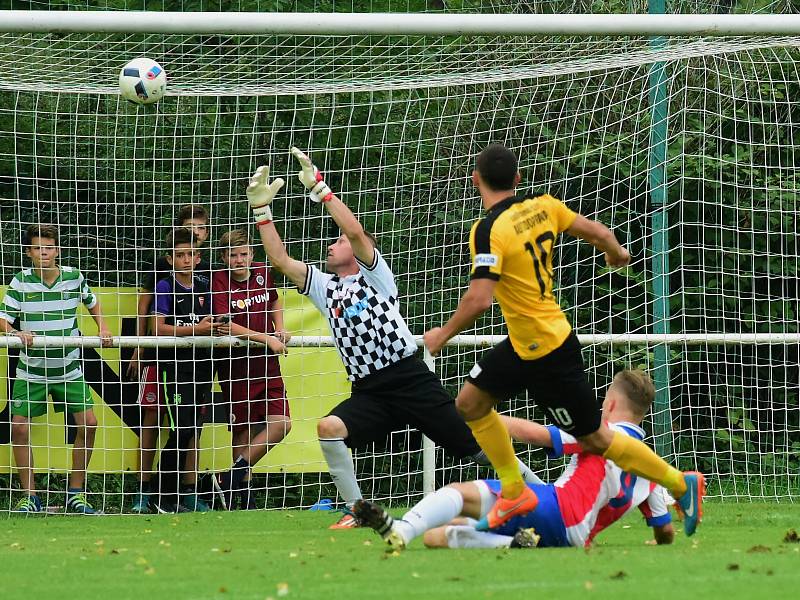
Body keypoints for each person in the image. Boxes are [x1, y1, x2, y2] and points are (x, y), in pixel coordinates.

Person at [245, 147, 539, 528]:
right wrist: (262, 212)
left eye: (339, 241)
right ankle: (358, 511)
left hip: (409, 378)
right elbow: (282, 261)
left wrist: (322, 190)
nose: (333, 244)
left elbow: (352, 229)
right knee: (328, 429)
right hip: (369, 391)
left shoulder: (375, 275)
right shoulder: (325, 286)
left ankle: (544, 495)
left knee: (476, 448)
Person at [422, 144, 704, 535]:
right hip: (524, 344)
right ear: (518, 179)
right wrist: (616, 252)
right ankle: (515, 489)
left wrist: (442, 333)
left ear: (475, 180)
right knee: (470, 403)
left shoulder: (488, 231)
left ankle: (679, 482)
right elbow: (598, 232)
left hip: (549, 352)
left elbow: (480, 299)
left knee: (596, 438)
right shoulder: (544, 205)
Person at [356, 370, 675, 551]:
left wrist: (473, 415)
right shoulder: (649, 466)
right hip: (574, 535)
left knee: (458, 493)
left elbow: (533, 433)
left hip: (556, 508)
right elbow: (665, 531)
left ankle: (400, 528)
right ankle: (512, 544)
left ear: (612, 402)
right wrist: (656, 541)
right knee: (436, 535)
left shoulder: (600, 433)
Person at [0, 224, 113, 514]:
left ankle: (75, 494)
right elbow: (3, 318)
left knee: (89, 425)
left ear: (57, 250)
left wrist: (103, 327)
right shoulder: (20, 282)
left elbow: (93, 302)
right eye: (38, 248)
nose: (44, 253)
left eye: (49, 247)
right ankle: (30, 496)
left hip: (68, 369)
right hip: (32, 370)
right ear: (29, 253)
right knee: (19, 428)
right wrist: (13, 331)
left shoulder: (73, 277)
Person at [129, 204, 211, 513]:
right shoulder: (162, 276)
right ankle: (144, 491)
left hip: (198, 362)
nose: (196, 232)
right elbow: (149, 313)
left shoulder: (208, 274)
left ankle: (188, 492)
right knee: (153, 419)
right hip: (161, 358)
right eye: (191, 226)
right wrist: (139, 345)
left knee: (191, 426)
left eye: (201, 227)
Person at [212, 229, 291, 510]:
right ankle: (240, 493)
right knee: (243, 430)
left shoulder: (263, 273)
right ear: (224, 258)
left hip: (266, 364)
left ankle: (231, 475)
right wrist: (266, 337)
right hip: (235, 365)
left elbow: (274, 299)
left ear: (252, 254)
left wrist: (279, 327)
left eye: (243, 254)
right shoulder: (219, 281)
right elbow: (224, 325)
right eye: (232, 255)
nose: (239, 260)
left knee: (281, 424)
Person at [150, 228, 227, 513]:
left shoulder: (206, 286)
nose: (186, 259)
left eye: (191, 254)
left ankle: (177, 497)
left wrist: (216, 324)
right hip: (175, 369)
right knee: (178, 431)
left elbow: (214, 322)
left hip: (203, 369)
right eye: (180, 255)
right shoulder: (165, 287)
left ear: (198, 258)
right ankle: (161, 497)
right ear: (170, 259)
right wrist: (198, 329)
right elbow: (156, 329)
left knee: (192, 430)